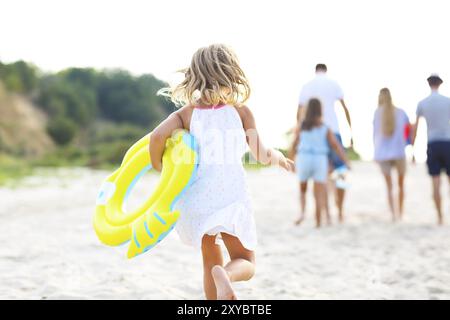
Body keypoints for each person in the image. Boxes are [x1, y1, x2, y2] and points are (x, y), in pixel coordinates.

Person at [150, 44, 294, 300]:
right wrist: (280, 158)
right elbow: (260, 154)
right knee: (245, 260)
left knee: (210, 263)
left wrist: (161, 169)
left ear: (194, 75)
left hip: (196, 201)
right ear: (231, 73)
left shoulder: (186, 114)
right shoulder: (241, 112)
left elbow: (158, 136)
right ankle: (228, 275)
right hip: (230, 197)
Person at [297, 64, 353, 223]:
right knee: (341, 171)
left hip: (311, 130)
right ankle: (340, 211)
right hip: (333, 130)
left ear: (315, 70)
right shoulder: (334, 83)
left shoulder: (307, 86)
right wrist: (350, 132)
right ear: (326, 70)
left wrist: (301, 131)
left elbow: (299, 110)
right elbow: (345, 108)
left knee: (321, 176)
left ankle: (326, 213)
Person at [290, 98, 350, 227]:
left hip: (304, 158)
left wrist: (290, 161)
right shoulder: (324, 127)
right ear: (320, 110)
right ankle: (318, 221)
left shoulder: (301, 126)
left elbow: (294, 144)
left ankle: (302, 213)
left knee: (303, 189)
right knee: (319, 193)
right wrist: (346, 161)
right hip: (319, 159)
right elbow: (336, 146)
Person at [412, 74, 450, 225]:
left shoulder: (423, 103)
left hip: (432, 143)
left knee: (435, 182)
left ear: (428, 84)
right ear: (440, 84)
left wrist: (413, 150)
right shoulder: (447, 101)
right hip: (447, 142)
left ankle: (440, 216)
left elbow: (415, 127)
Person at [373, 88, 410, 221]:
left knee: (389, 186)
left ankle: (393, 214)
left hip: (383, 154)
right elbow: (408, 131)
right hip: (399, 151)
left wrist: (375, 154)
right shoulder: (401, 112)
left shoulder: (377, 113)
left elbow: (375, 135)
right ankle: (400, 212)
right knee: (400, 185)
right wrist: (407, 144)